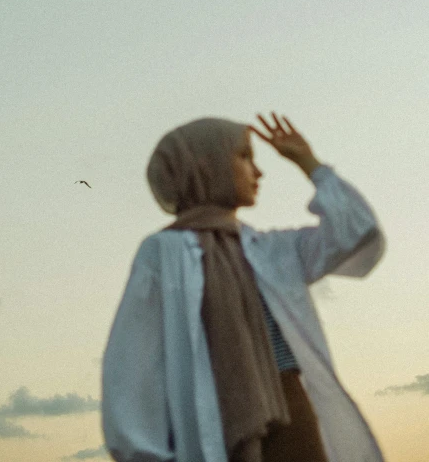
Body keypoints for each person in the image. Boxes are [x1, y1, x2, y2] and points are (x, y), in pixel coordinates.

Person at [101, 111, 387, 462]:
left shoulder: (269, 251)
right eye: (245, 157)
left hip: (289, 408)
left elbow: (356, 232)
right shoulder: (166, 253)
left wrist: (310, 163)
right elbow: (133, 364)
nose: (259, 171)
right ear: (209, 165)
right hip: (211, 415)